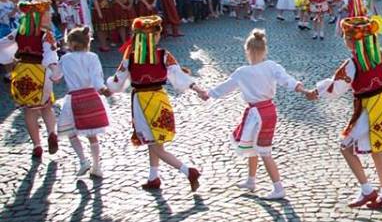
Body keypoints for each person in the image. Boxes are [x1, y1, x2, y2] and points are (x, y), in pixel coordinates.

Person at [306, 15, 382, 210]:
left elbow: (336, 86)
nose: (344, 39)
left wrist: (316, 92)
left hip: (367, 109)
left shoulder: (352, 63)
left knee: (345, 147)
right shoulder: (381, 53)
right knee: (377, 150)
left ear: (351, 40)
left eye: (345, 36)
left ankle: (367, 189)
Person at [196, 29, 310, 199]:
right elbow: (288, 80)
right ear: (264, 50)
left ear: (247, 50)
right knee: (253, 146)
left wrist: (208, 94)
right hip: (267, 111)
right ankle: (251, 180)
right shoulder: (271, 66)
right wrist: (303, 90)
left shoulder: (242, 72)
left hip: (259, 114)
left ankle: (278, 188)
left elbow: (225, 87)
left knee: (264, 150)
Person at [106, 15, 204, 191]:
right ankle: (153, 178)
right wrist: (198, 89)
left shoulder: (131, 56)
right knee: (155, 142)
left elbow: (118, 79)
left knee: (155, 145)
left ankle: (188, 171)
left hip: (142, 103)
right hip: (160, 99)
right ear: (154, 37)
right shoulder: (164, 55)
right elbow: (179, 76)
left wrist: (108, 89)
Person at [0, 0, 61, 159]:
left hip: (22, 74)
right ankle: (52, 133)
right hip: (40, 74)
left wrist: (11, 57)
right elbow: (50, 56)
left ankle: (37, 145)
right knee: (46, 107)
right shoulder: (46, 35)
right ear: (40, 17)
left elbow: (3, 44)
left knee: (29, 110)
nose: (49, 17)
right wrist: (55, 72)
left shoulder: (18, 32)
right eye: (47, 15)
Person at [57, 26, 111, 177]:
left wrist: (52, 64)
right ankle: (96, 165)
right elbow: (96, 78)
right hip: (91, 96)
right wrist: (102, 89)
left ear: (70, 43)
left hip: (74, 98)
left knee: (70, 131)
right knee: (92, 134)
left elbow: (55, 77)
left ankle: (82, 160)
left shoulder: (65, 59)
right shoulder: (92, 57)